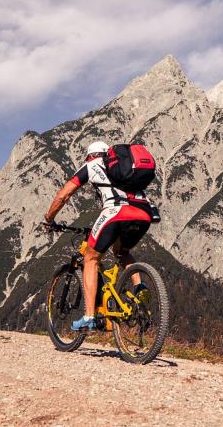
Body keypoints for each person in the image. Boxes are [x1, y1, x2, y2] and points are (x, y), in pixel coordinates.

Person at [43, 140, 153, 331]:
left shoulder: (92, 165)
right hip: (144, 213)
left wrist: (49, 219)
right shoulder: (124, 168)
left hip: (116, 212)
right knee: (122, 252)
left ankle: (89, 316)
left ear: (90, 156)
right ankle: (139, 287)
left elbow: (63, 195)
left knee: (91, 259)